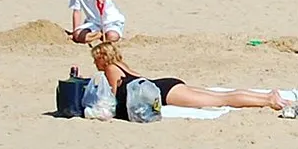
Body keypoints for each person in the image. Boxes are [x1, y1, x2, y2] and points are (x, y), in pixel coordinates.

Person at [90, 38, 285, 118]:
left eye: (95, 59)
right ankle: (267, 96)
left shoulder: (110, 70)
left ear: (102, 57)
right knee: (221, 95)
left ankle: (268, 100)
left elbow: (113, 102)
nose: (95, 64)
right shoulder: (121, 64)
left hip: (164, 93)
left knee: (220, 100)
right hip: (166, 84)